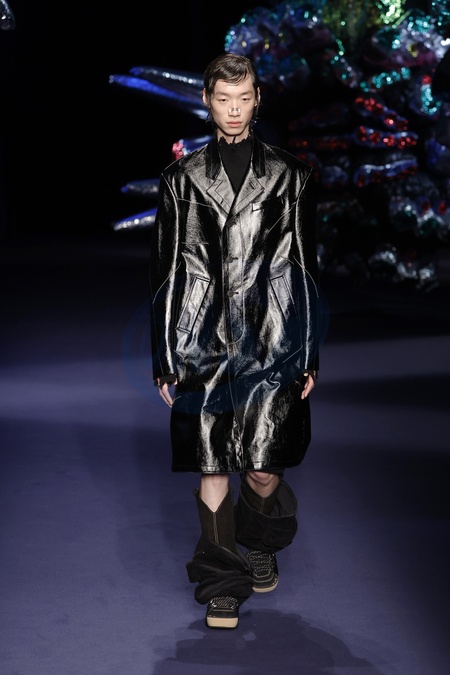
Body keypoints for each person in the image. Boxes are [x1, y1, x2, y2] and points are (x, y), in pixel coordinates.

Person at [149, 52, 321, 629]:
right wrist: (165, 357)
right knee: (213, 461)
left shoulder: (292, 176)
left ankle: (262, 539)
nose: (233, 109)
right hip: (202, 338)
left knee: (263, 467)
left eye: (243, 98)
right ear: (207, 100)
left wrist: (308, 352)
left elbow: (303, 266)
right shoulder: (181, 179)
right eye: (223, 99)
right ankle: (222, 581)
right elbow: (167, 271)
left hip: (273, 338)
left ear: (257, 99)